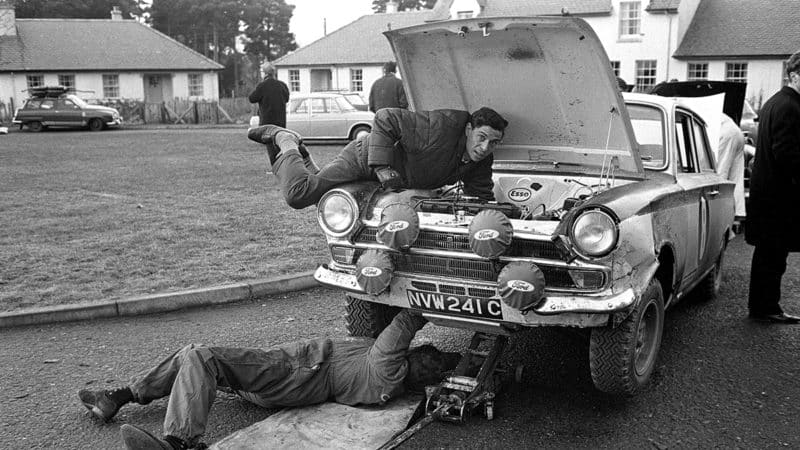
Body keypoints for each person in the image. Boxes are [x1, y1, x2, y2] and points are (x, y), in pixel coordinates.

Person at [78, 310, 459, 449]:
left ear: (411, 361)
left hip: (290, 370)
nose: (428, 352)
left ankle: (180, 442)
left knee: (200, 355)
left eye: (429, 355)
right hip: (281, 390)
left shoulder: (387, 365)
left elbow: (407, 317)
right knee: (195, 356)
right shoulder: (386, 383)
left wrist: (440, 300)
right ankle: (119, 397)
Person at [247, 106, 508, 209]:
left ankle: (302, 156)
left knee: (331, 204)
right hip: (363, 158)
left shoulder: (480, 161)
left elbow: (481, 197)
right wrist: (382, 166)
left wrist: (501, 214)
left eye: (493, 142)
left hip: (386, 182)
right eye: (481, 137)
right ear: (468, 129)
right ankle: (287, 141)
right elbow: (386, 117)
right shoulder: (442, 126)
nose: (485, 147)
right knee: (300, 195)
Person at [745, 50, 800, 324]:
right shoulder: (791, 106)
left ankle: (763, 306)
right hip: (778, 198)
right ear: (794, 75)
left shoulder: (774, 102)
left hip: (767, 194)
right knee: (773, 257)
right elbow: (787, 154)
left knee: (768, 255)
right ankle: (766, 308)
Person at [717, 112, 747, 225]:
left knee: (719, 177)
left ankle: (720, 218)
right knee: (735, 178)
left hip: (725, 133)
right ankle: (736, 215)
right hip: (735, 131)